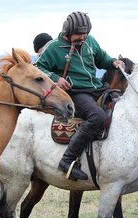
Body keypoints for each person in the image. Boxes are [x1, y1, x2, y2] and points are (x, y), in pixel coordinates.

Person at [36, 11, 125, 181]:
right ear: (68, 32)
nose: (83, 37)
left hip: (97, 87)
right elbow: (37, 68)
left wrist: (113, 62)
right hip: (76, 93)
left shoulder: (89, 41)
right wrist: (56, 78)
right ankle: (67, 160)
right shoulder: (53, 47)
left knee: (122, 105)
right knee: (97, 116)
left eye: (85, 34)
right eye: (79, 34)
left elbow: (102, 59)